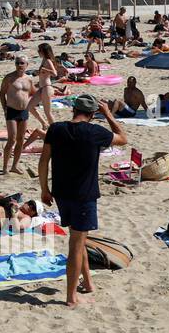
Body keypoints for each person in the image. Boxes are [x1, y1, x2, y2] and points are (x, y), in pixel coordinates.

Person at [37, 95, 126, 308]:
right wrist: (108, 114)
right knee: (76, 243)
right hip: (83, 196)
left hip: (61, 193)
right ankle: (71, 297)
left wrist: (44, 189)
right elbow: (123, 138)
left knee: (79, 237)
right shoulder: (95, 132)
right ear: (93, 114)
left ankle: (87, 282)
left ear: (73, 109)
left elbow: (43, 161)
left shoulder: (56, 129)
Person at [0, 56, 35, 175]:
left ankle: (15, 165)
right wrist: (4, 108)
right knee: (12, 139)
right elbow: (2, 93)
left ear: (26, 65)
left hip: (24, 111)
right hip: (11, 110)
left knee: (20, 140)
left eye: (22, 63)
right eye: (17, 63)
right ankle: (5, 167)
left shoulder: (29, 80)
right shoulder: (9, 78)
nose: (19, 65)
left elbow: (34, 93)